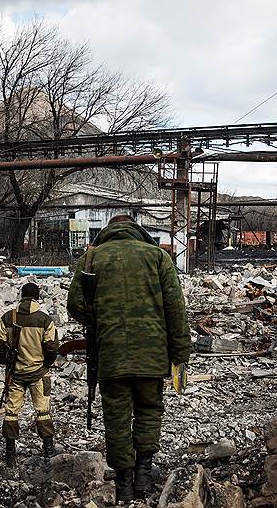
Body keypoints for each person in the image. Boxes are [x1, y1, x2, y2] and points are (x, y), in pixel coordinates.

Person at [67, 215, 190, 502]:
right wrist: (180, 354)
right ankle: (144, 475)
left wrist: (99, 320)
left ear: (109, 230)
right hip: (152, 353)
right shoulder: (158, 257)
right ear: (138, 230)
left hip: (110, 353)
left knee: (116, 417)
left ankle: (123, 482)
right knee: (149, 408)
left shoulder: (91, 258)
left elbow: (75, 305)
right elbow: (176, 310)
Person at [0, 282, 60, 466]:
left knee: (11, 412)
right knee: (43, 410)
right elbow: (52, 347)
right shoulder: (45, 320)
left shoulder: (8, 317)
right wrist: (46, 363)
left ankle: (10, 455)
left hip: (15, 373)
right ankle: (48, 449)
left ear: (21, 295)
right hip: (38, 373)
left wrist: (7, 359)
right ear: (38, 297)